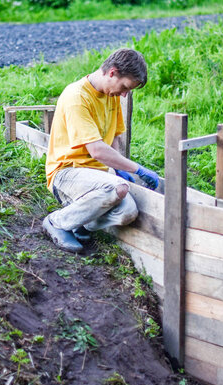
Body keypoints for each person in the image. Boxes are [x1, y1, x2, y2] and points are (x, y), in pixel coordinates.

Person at [43, 48, 159, 253]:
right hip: (66, 174)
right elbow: (97, 150)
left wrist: (119, 168)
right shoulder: (77, 97)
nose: (124, 94)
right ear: (112, 72)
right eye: (125, 87)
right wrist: (136, 170)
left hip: (97, 174)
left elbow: (113, 138)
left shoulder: (111, 95)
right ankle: (57, 222)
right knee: (116, 189)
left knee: (129, 213)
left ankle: (80, 222)